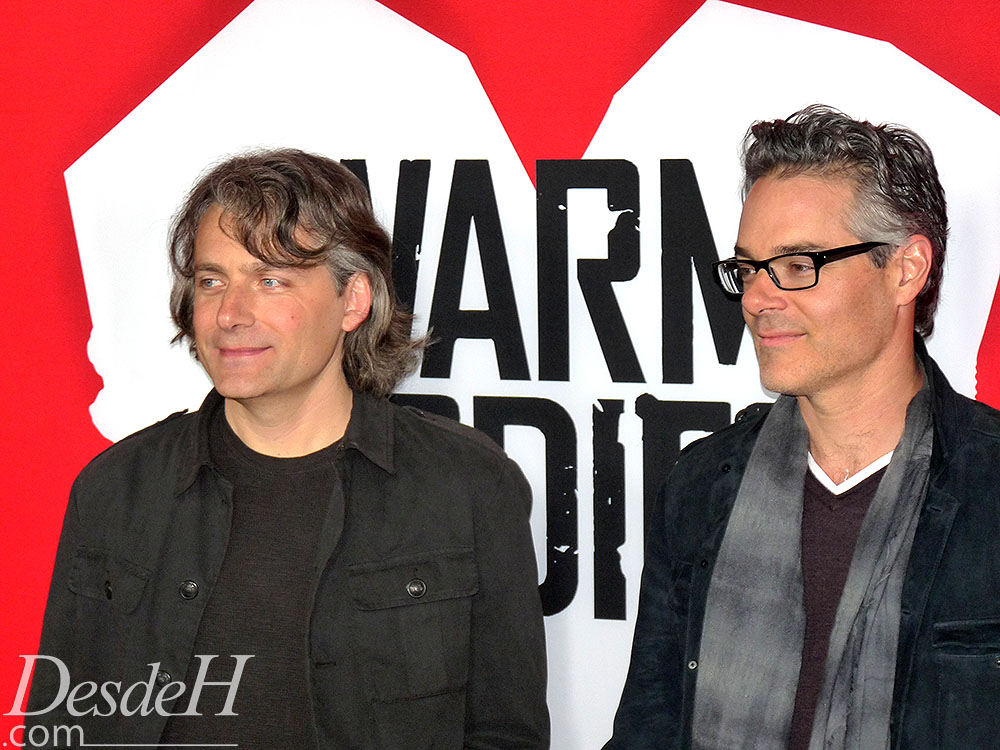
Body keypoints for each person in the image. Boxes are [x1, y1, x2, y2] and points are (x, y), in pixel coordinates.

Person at [26, 149, 549, 749]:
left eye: (270, 280)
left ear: (354, 301)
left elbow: (506, 734)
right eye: (211, 281)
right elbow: (60, 726)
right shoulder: (117, 489)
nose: (229, 314)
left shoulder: (467, 486)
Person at [605, 104, 1000, 749]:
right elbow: (646, 730)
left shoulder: (989, 487)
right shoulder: (702, 486)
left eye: (797, 265)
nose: (757, 298)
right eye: (748, 269)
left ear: (906, 269)